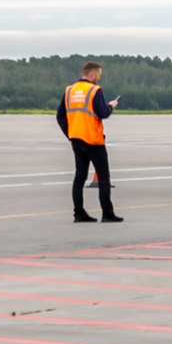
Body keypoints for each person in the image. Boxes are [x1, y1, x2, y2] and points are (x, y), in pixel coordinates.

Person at [57, 62, 122, 223]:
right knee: (104, 176)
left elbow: (60, 117)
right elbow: (102, 113)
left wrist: (70, 134)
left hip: (76, 139)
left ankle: (78, 212)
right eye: (99, 75)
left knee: (79, 176)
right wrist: (111, 107)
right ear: (92, 75)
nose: (99, 78)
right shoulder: (94, 90)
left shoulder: (69, 90)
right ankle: (107, 213)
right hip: (93, 140)